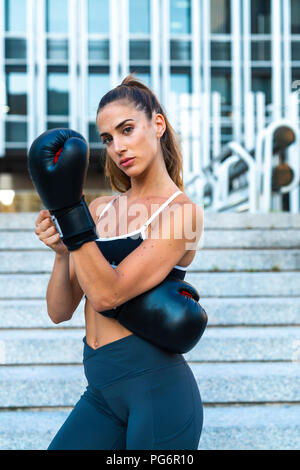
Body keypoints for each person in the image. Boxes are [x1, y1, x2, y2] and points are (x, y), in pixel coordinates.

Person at [34, 74, 204, 450]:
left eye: (127, 130)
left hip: (158, 394)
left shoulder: (183, 213)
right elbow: (59, 311)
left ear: (157, 125)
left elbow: (109, 295)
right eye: (108, 139)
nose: (118, 147)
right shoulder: (99, 209)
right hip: (101, 393)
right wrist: (63, 254)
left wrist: (69, 214)